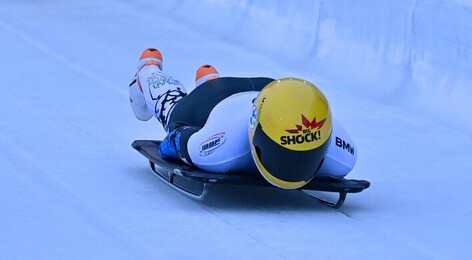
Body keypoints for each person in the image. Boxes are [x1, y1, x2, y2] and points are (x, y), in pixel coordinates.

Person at [129, 48, 357, 189]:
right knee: (173, 112)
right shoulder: (213, 151)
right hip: (212, 101)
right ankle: (148, 69)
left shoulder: (343, 154)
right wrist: (176, 137)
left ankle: (211, 80)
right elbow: (174, 141)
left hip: (270, 91)